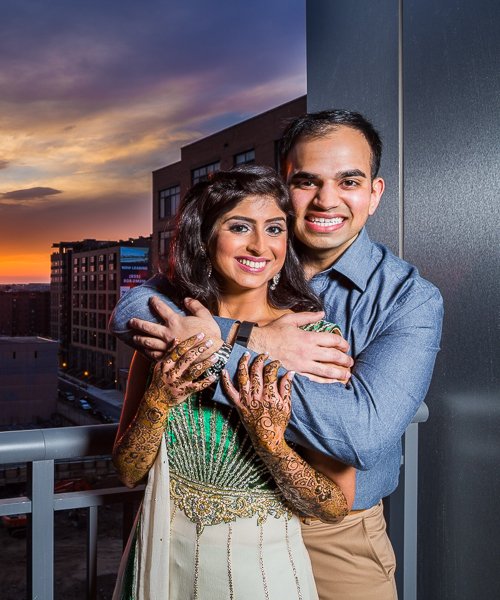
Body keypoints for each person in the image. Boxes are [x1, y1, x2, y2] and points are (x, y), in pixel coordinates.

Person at [109, 110, 443, 600]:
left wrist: (223, 352)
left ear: (374, 193)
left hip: (332, 532)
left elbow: (363, 437)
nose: (327, 199)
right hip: (189, 533)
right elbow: (132, 312)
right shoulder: (238, 261)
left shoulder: (408, 298)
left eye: (348, 181)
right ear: (286, 189)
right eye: (307, 182)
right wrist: (256, 338)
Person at [112, 166, 355, 599]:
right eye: (240, 227)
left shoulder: (313, 344)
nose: (260, 245)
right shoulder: (170, 331)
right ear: (204, 239)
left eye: (275, 229)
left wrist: (271, 443)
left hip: (260, 573)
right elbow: (128, 471)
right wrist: (158, 400)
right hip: (162, 557)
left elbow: (335, 506)